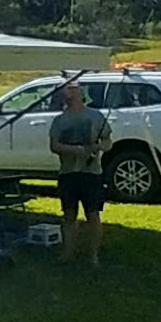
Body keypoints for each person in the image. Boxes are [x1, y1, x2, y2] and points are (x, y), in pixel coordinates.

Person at [48, 81, 112, 266]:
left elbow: (108, 141)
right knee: (69, 215)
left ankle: (93, 255)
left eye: (72, 89)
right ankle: (68, 253)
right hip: (68, 173)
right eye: (66, 90)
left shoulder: (95, 116)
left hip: (92, 173)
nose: (69, 92)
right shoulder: (60, 120)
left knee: (93, 214)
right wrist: (75, 150)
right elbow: (54, 145)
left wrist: (99, 147)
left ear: (81, 94)